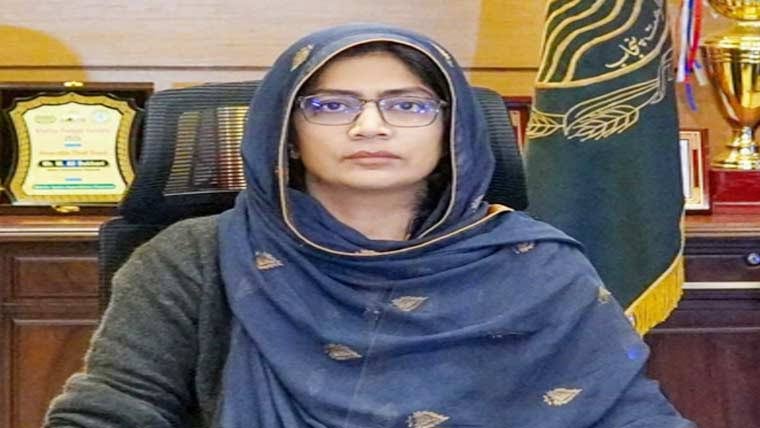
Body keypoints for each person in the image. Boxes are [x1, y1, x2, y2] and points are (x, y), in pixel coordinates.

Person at [44, 24, 695, 428]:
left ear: (452, 131)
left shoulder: (538, 264)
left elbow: (629, 415)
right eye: (332, 106)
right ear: (286, 132)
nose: (371, 127)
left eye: (408, 105)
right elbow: (111, 412)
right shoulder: (195, 257)